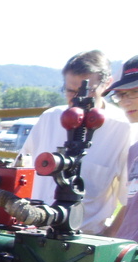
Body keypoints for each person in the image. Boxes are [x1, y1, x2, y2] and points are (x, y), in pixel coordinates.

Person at [19, 50, 133, 235]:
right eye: (70, 91)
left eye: (86, 91)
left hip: (84, 241)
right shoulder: (49, 119)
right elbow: (22, 172)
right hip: (33, 233)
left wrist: (107, 238)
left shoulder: (123, 129)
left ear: (107, 84)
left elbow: (131, 200)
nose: (76, 99)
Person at [100, 56, 138, 240]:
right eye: (121, 94)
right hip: (130, 257)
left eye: (135, 91)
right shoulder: (134, 150)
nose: (125, 102)